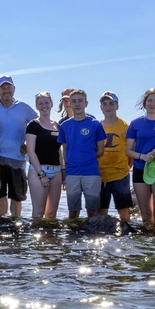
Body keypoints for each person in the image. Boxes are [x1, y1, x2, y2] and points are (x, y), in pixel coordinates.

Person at [0, 75, 38, 218]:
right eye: (3, 87)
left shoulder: (24, 107)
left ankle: (15, 225)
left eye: (9, 87)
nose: (6, 90)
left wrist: (28, 142)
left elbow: (38, 126)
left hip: (18, 159)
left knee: (17, 196)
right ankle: (1, 225)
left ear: (14, 89)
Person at [58, 89, 106, 218]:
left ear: (86, 103)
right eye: (74, 101)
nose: (77, 104)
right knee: (73, 212)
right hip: (72, 173)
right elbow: (65, 150)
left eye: (80, 101)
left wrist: (86, 158)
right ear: (70, 104)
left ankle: (92, 236)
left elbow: (101, 150)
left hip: (91, 173)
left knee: (93, 211)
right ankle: (74, 237)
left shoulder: (95, 124)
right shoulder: (64, 126)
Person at [125, 88, 155, 226]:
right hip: (139, 169)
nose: (153, 103)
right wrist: (142, 156)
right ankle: (147, 245)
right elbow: (128, 150)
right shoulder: (135, 123)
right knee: (146, 216)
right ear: (144, 102)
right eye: (150, 100)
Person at [24, 92, 64, 220]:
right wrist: (42, 174)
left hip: (56, 172)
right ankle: (36, 239)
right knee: (38, 213)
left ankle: (50, 239)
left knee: (51, 214)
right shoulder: (33, 125)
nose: (44, 106)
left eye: (46, 102)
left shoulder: (57, 126)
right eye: (40, 103)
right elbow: (30, 151)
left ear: (51, 104)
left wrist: (63, 172)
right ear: (36, 106)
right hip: (38, 172)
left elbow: (59, 151)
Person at [96, 91, 133, 224]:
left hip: (120, 175)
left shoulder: (125, 126)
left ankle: (126, 237)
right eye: (104, 104)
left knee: (123, 212)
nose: (108, 107)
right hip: (100, 175)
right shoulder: (96, 126)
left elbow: (131, 151)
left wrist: (126, 168)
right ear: (100, 107)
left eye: (111, 103)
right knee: (101, 211)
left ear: (117, 106)